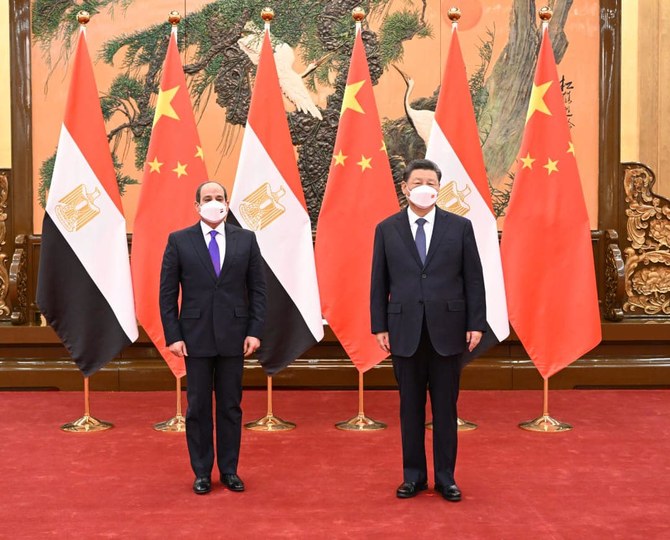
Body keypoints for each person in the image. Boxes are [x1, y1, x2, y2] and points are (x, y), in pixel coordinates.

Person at [370, 159, 486, 502]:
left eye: (431, 182)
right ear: (405, 188)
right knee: (410, 408)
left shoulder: (459, 227)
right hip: (403, 329)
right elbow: (379, 281)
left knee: (446, 409)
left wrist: (475, 323)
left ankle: (446, 478)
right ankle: (414, 477)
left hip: (448, 330)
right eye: (417, 181)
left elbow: (474, 279)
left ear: (439, 188)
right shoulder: (387, 229)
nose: (424, 186)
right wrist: (379, 325)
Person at [159, 181, 266, 495]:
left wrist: (255, 330)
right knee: (198, 407)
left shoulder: (246, 240)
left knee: (231, 407)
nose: (213, 202)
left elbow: (258, 290)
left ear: (227, 203)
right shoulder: (179, 241)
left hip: (236, 336)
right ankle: (202, 471)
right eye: (207, 198)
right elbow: (167, 294)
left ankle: (230, 470)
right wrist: (173, 335)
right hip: (194, 337)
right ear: (196, 205)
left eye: (219, 198)